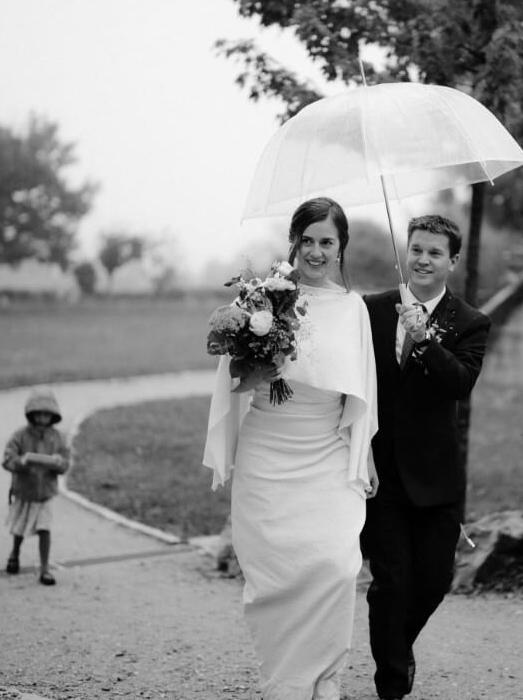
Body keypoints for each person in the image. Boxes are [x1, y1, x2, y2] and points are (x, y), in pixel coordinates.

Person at [203, 196, 379, 700]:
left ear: (341, 248)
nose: (316, 251)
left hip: (325, 450)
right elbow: (236, 383)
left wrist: (360, 454)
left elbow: (362, 393)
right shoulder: (261, 301)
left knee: (336, 566)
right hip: (269, 452)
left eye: (328, 242)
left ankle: (325, 675)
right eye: (308, 241)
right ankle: (286, 681)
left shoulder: (354, 311)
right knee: (277, 573)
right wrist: (266, 360)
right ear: (293, 243)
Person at [361, 214, 491, 700]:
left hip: (437, 476)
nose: (423, 259)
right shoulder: (372, 310)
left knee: (434, 582)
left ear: (452, 262)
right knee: (390, 583)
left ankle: (399, 646)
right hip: (382, 473)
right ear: (407, 250)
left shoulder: (471, 322)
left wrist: (426, 340)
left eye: (435, 252)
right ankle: (391, 684)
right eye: (416, 248)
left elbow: (460, 384)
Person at [1, 388, 72, 586]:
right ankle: (14, 554)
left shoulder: (57, 438)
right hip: (25, 492)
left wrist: (58, 463)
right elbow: (8, 459)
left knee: (44, 529)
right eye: (38, 414)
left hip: (45, 494)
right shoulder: (20, 436)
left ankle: (44, 568)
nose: (42, 419)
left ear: (53, 416)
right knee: (19, 529)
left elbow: (66, 463)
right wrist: (21, 462)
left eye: (46, 414)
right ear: (31, 414)